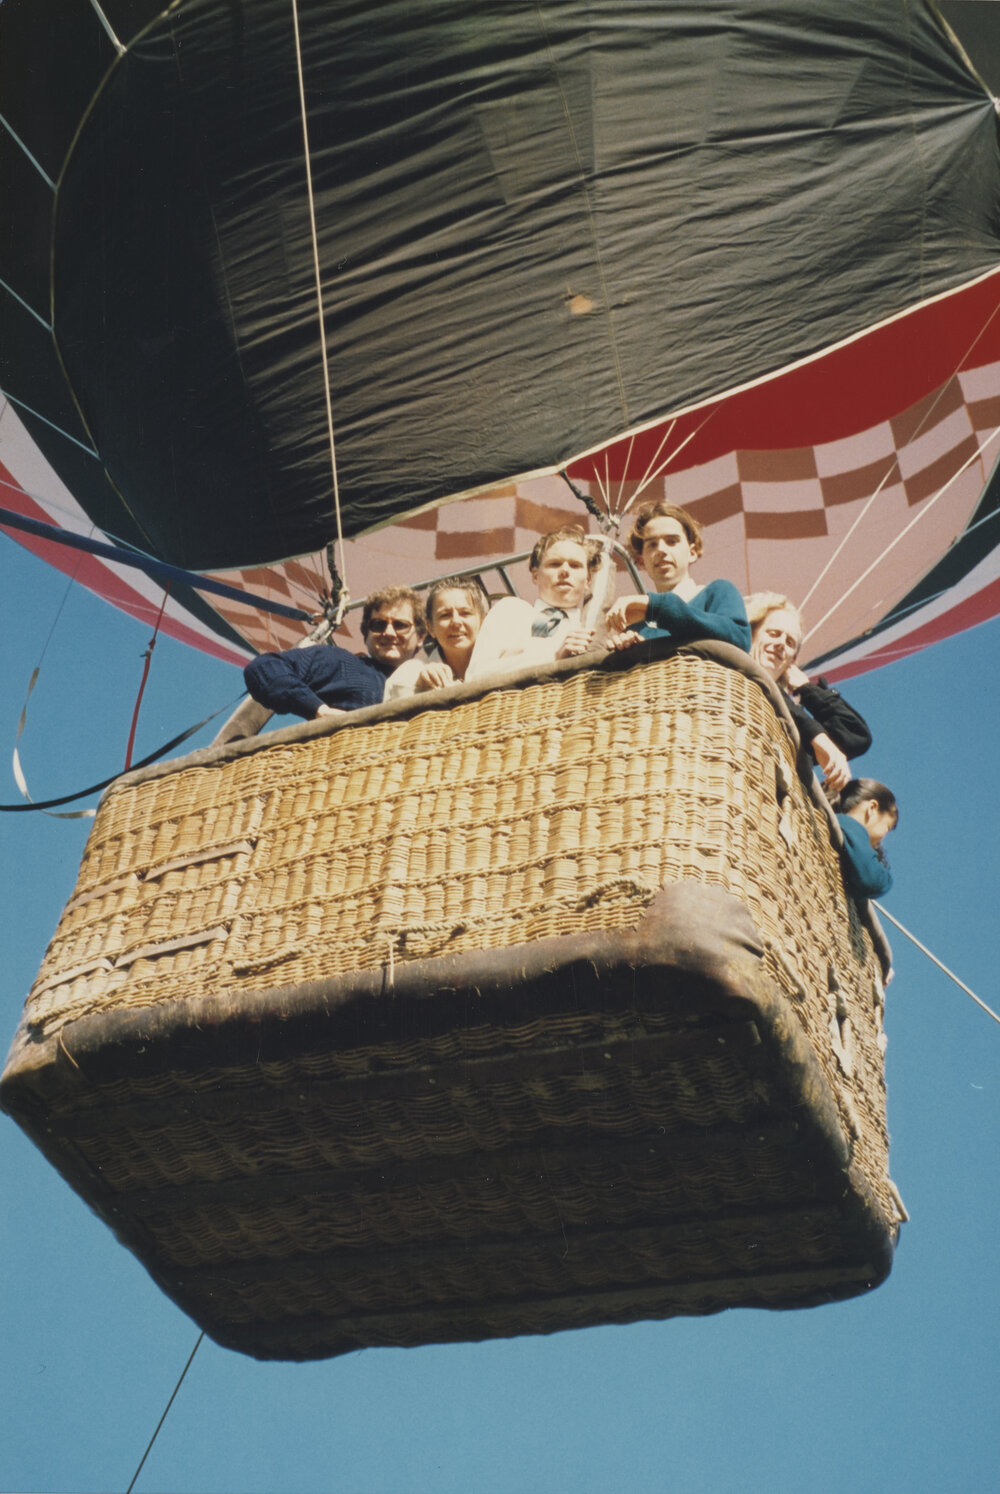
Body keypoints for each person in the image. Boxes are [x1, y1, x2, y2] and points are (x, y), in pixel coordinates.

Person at [746, 592, 872, 792]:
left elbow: (856, 736)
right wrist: (820, 740)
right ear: (751, 633)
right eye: (773, 633)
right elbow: (762, 688)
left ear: (792, 660)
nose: (780, 644)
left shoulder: (791, 721)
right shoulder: (726, 666)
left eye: (789, 643)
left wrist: (808, 690)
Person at [244, 585, 425, 720]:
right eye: (378, 625)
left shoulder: (433, 678)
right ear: (366, 634)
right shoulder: (341, 663)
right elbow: (263, 668)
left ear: (421, 637)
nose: (389, 632)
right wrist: (318, 710)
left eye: (400, 625)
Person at [604, 500, 751, 652]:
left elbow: (739, 638)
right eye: (652, 544)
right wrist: (627, 649)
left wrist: (656, 605)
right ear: (641, 561)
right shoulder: (635, 626)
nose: (661, 550)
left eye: (672, 541)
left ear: (692, 553)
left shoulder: (717, 592)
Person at [465, 524, 602, 680]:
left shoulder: (591, 630)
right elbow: (475, 676)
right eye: (555, 564)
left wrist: (517, 658)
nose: (565, 571)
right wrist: (553, 657)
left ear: (588, 580)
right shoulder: (509, 612)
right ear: (535, 575)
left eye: (575, 565)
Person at [384, 578, 489, 699]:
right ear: (430, 627)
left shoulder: (501, 662)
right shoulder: (412, 671)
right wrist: (419, 685)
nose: (456, 621)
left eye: (465, 613)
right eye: (445, 615)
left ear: (482, 620)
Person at [827, 778, 898, 899]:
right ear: (872, 808)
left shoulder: (835, 825)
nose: (880, 841)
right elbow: (875, 881)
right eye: (887, 827)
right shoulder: (849, 827)